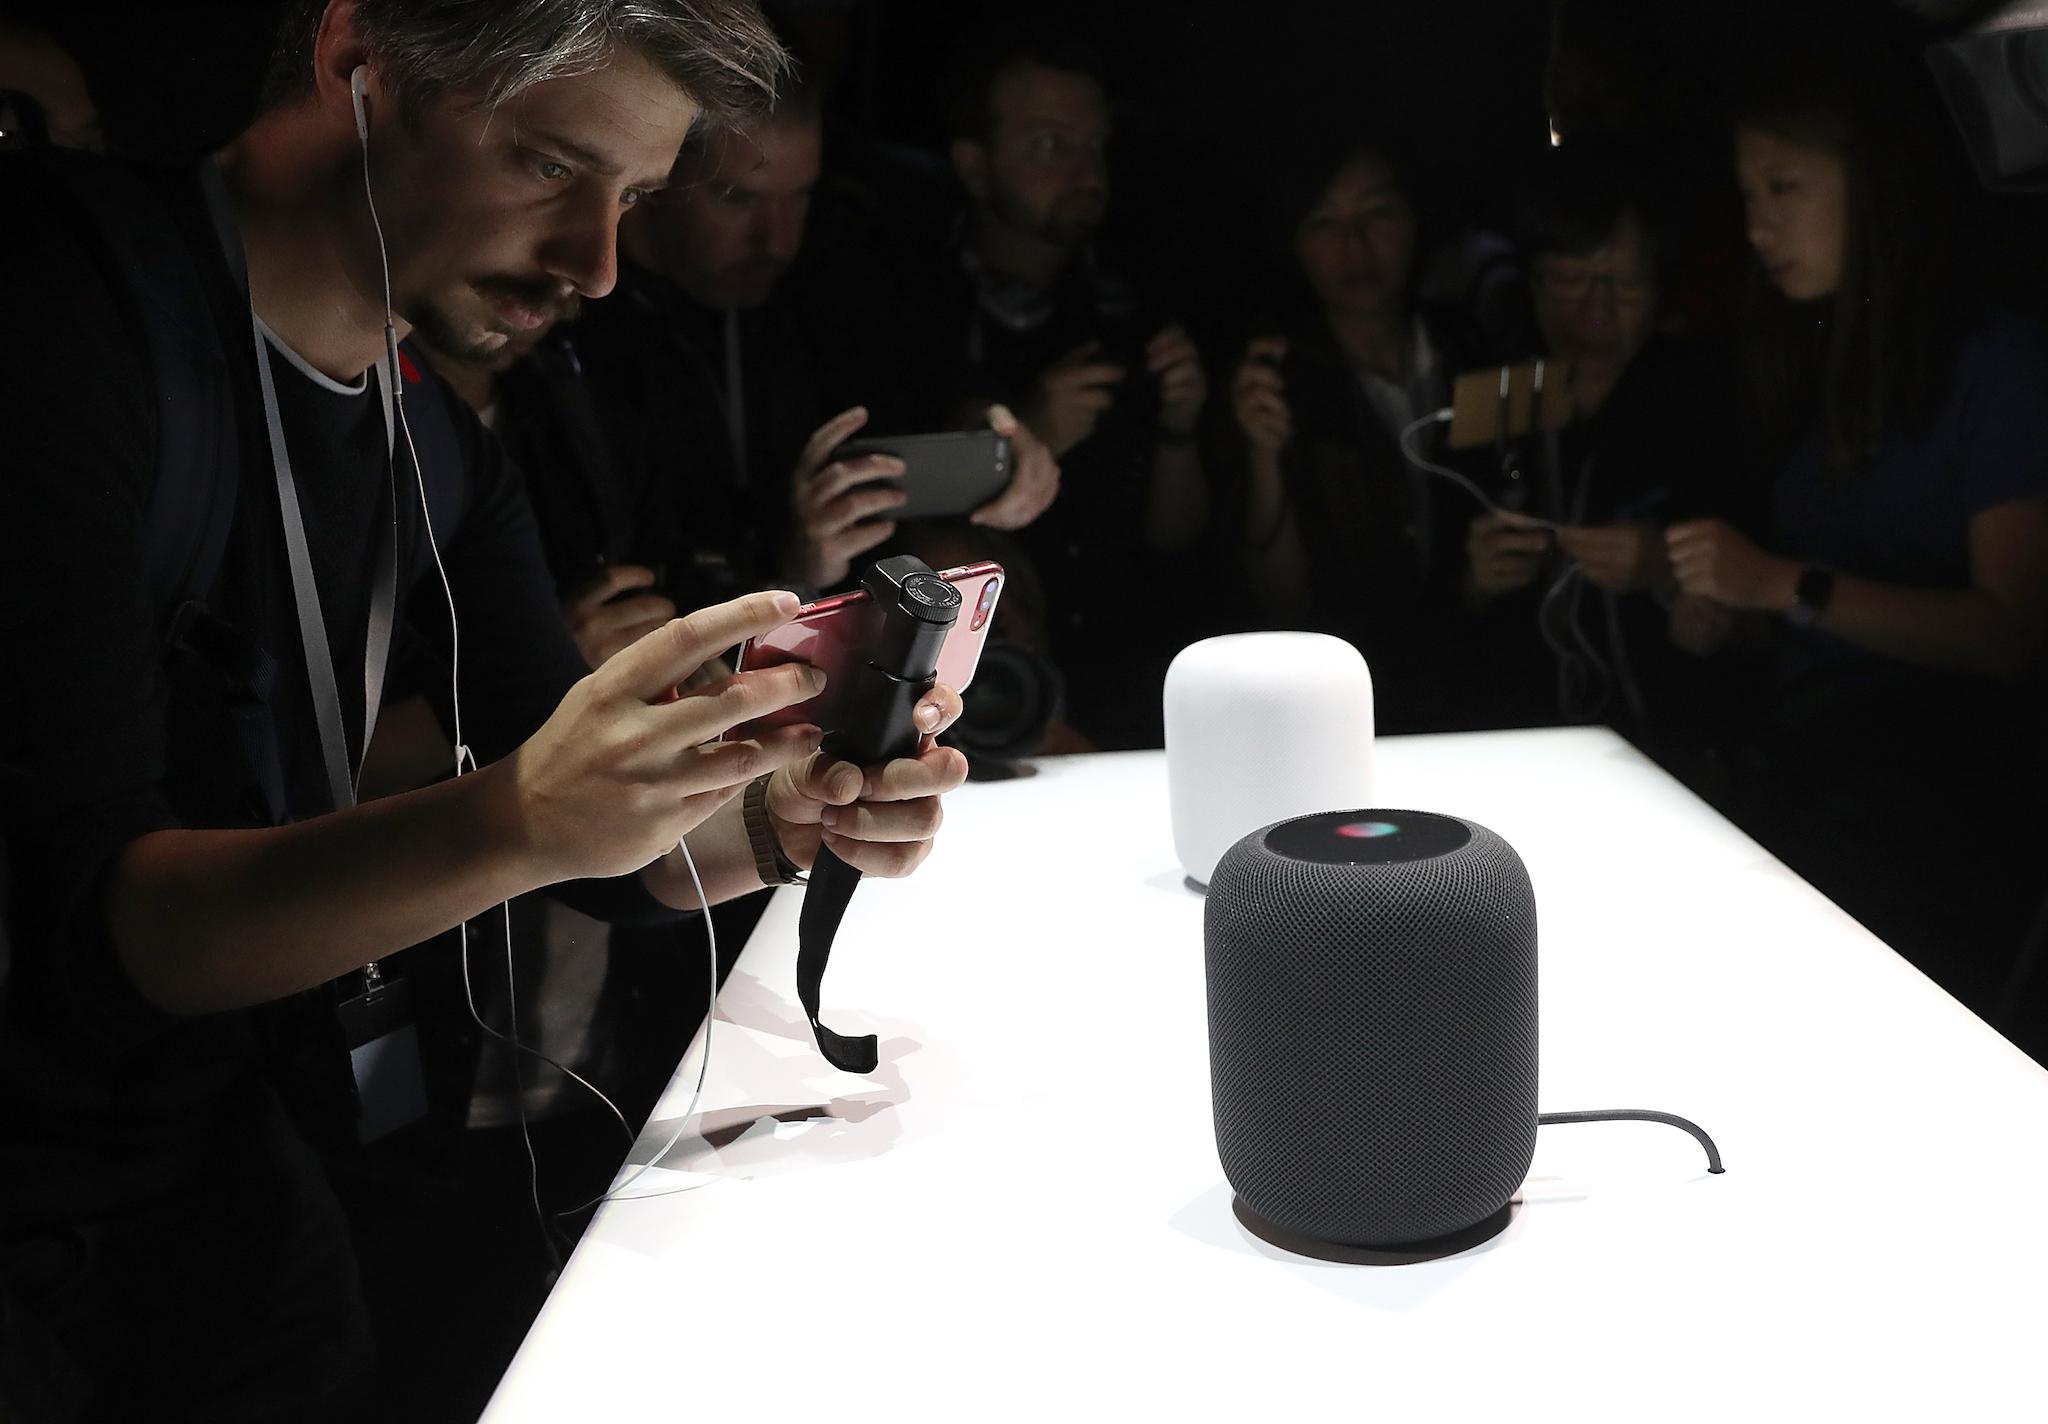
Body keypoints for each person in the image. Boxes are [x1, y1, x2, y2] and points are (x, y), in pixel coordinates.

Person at [0, 1, 979, 1416]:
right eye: (546, 164)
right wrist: (520, 816)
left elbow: (625, 859)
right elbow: (117, 928)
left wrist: (778, 820)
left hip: (237, 1158)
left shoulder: (437, 439)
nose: (595, 263)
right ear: (361, 59)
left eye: (635, 198)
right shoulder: (60, 300)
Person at [1666, 41, 2048, 1009]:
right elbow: (1794, 603)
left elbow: (2009, 634)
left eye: (1783, 187)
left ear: (1872, 181)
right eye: (1746, 194)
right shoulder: (1811, 357)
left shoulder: (1994, 363)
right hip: (1802, 762)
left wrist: (1778, 586)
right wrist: (1728, 612)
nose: (1757, 226)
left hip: (1936, 791)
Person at [922, 25, 1210, 748]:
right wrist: (1026, 436)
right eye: (1050, 147)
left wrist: (1180, 426)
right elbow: (900, 535)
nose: (1085, 172)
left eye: (1094, 147)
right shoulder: (914, 309)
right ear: (977, 167)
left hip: (1131, 695)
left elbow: (1173, 540)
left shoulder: (1132, 303)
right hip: (967, 712)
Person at [1458, 143, 1740, 748]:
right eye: (1569, 280)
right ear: (1530, 278)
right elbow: (1426, 604)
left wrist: (1669, 577)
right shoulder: (1491, 395)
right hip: (1512, 744)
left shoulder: (1706, 397)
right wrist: (1476, 580)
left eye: (1625, 283)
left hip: (1671, 751)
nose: (1596, 309)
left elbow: (1755, 601)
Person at [1227, 128, 1495, 732]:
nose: (1355, 245)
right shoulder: (1278, 381)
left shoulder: (1473, 351)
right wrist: (1264, 457)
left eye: (1378, 212)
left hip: (1479, 701)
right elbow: (1279, 602)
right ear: (1295, 243)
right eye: (1324, 222)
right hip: (1338, 715)